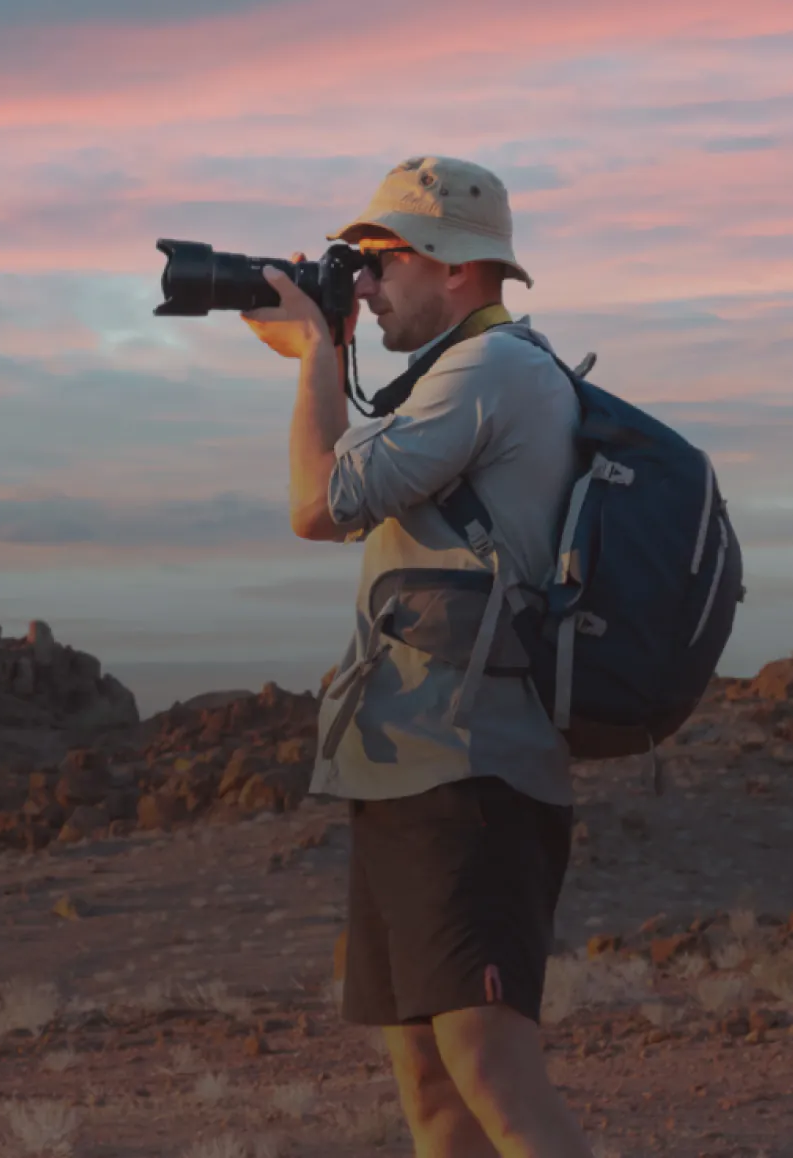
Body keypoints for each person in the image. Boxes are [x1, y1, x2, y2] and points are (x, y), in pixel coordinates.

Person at [241, 155, 596, 1158]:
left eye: (380, 258)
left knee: (491, 1074)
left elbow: (318, 504)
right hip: (411, 765)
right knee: (433, 1089)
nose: (361, 282)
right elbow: (345, 487)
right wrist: (324, 352)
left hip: (469, 770)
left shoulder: (494, 371)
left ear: (453, 266)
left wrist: (317, 357)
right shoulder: (457, 377)